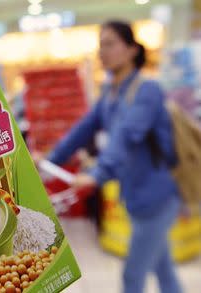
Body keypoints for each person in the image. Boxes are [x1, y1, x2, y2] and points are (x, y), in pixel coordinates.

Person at [41, 20, 183, 293]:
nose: (102, 52)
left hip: (157, 199)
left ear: (131, 49)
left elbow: (126, 135)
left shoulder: (147, 91)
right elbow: (82, 131)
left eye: (110, 44)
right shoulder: (110, 93)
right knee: (163, 269)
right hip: (135, 197)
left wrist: (97, 173)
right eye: (100, 46)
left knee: (132, 276)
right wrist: (50, 159)